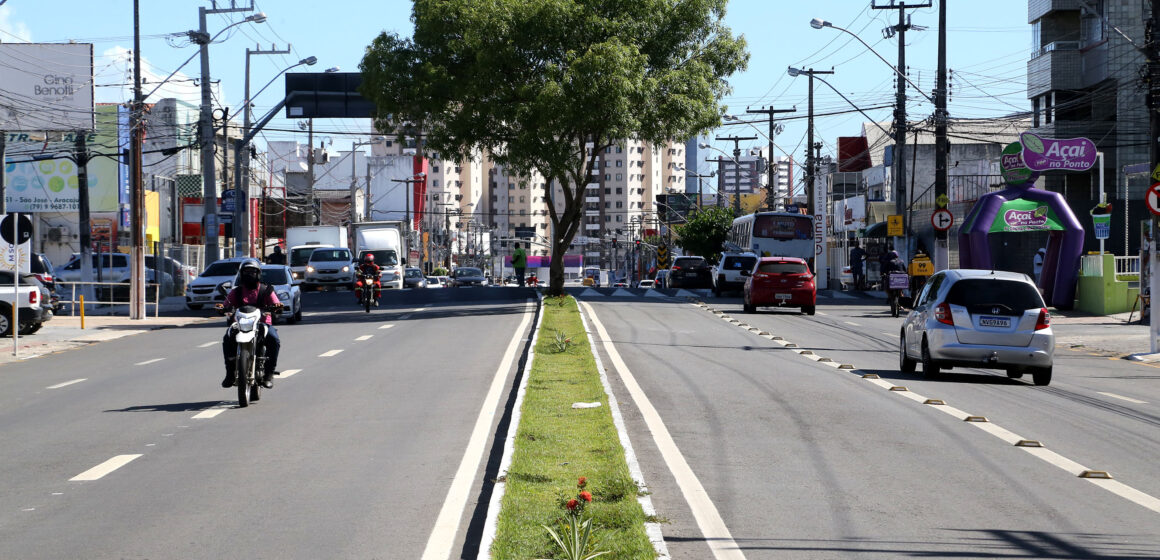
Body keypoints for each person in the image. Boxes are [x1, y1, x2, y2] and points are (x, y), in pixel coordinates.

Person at [221, 259, 282, 389]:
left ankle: (269, 374)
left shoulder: (266, 290)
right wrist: (222, 307)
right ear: (241, 275)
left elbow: (276, 303)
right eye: (246, 272)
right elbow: (226, 304)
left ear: (258, 274)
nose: (250, 275)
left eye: (253, 272)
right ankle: (230, 373)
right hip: (239, 324)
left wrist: (276, 306)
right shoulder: (236, 291)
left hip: (262, 324)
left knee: (274, 339)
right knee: (227, 338)